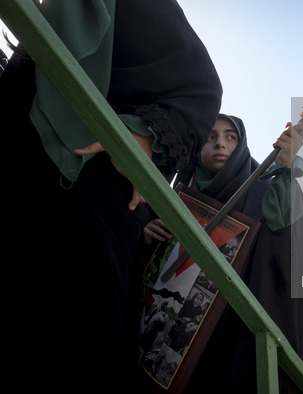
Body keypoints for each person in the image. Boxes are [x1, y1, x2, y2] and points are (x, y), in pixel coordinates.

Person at [0, 0, 222, 391]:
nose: (221, 146)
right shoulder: (39, 18)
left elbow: (200, 87)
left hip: (88, 209)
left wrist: (144, 136)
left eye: (231, 139)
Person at [142, 113, 303, 392]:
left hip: (218, 343)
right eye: (210, 136)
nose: (220, 144)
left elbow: (292, 241)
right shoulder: (174, 194)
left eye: (231, 137)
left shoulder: (263, 194)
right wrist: (145, 232)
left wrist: (285, 171)